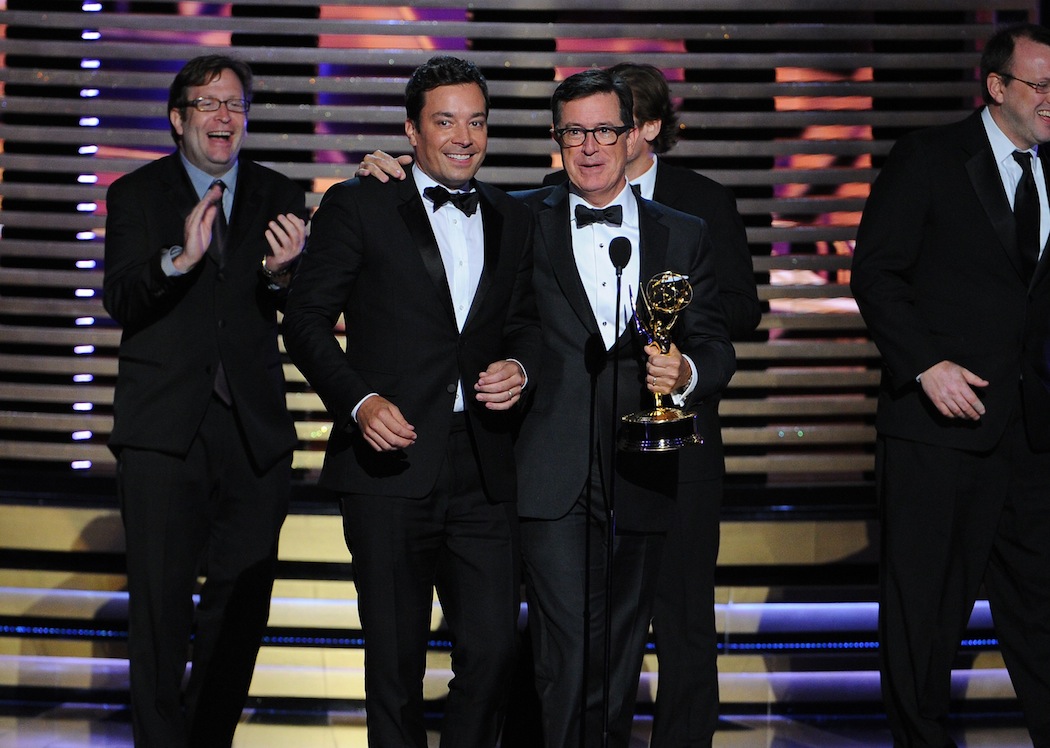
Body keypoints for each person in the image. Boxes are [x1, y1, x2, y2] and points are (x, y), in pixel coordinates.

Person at [281, 55, 541, 748]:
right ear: (412, 131)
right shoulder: (358, 203)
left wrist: (520, 364)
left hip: (483, 465)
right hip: (387, 467)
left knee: (492, 656)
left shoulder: (512, 218)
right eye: (446, 121)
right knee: (394, 667)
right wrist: (359, 402)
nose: (464, 136)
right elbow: (304, 324)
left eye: (476, 121)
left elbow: (525, 323)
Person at [543, 62, 761, 746]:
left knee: (681, 619)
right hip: (563, 461)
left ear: (643, 129)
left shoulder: (696, 213)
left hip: (673, 451)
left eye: (609, 128)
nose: (595, 145)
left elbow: (729, 324)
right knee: (573, 637)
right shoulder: (535, 207)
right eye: (577, 132)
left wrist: (684, 366)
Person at [850, 23, 1050, 747]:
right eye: (1041, 85)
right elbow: (875, 272)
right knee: (924, 616)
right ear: (997, 88)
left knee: (1039, 613)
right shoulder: (930, 157)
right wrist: (925, 365)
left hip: (1029, 437)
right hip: (939, 430)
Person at [103, 55, 307, 747]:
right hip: (163, 432)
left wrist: (284, 278)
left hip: (254, 436)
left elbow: (303, 309)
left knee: (240, 610)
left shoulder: (281, 192)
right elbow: (121, 296)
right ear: (177, 117)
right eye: (209, 104)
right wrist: (178, 261)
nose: (225, 116)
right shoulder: (136, 193)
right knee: (159, 612)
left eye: (235, 105)